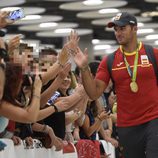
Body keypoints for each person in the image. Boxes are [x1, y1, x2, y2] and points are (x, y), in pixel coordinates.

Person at [67, 12, 158, 158]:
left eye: (122, 28)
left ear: (135, 28)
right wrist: (84, 68)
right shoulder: (109, 61)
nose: (118, 33)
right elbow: (94, 93)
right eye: (116, 29)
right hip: (127, 126)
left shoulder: (152, 54)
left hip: (154, 121)